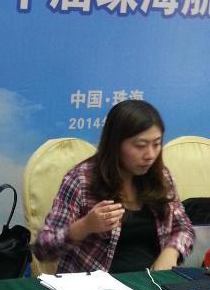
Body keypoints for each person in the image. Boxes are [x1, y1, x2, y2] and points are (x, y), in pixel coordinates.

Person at [34, 100, 194, 274]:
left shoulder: (161, 177)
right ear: (115, 144)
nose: (150, 155)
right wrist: (84, 226)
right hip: (95, 284)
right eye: (140, 145)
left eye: (156, 144)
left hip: (152, 282)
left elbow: (184, 228)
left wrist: (171, 251)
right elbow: (43, 249)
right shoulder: (81, 180)